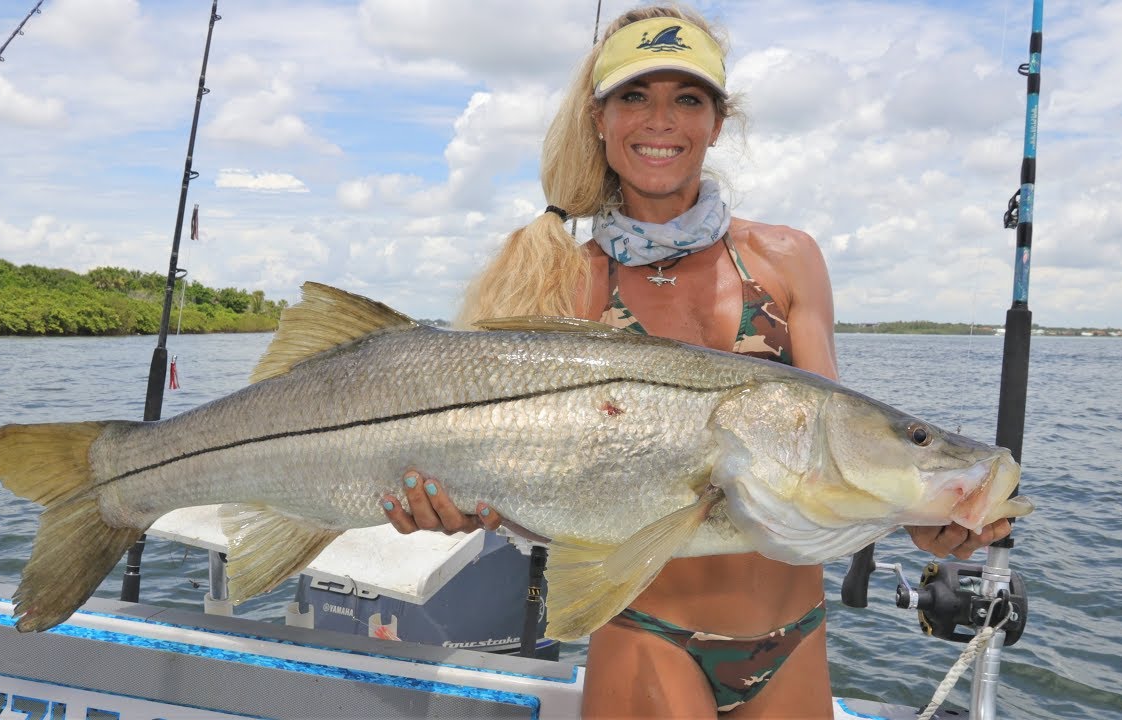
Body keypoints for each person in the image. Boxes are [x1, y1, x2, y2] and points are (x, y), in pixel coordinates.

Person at [380, 6, 1013, 718]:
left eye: (687, 98)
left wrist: (917, 513)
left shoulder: (787, 259)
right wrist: (458, 503)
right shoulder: (563, 280)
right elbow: (520, 477)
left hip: (795, 637)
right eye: (634, 96)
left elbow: (828, 449)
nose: (661, 121)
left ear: (718, 121)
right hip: (647, 631)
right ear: (598, 117)